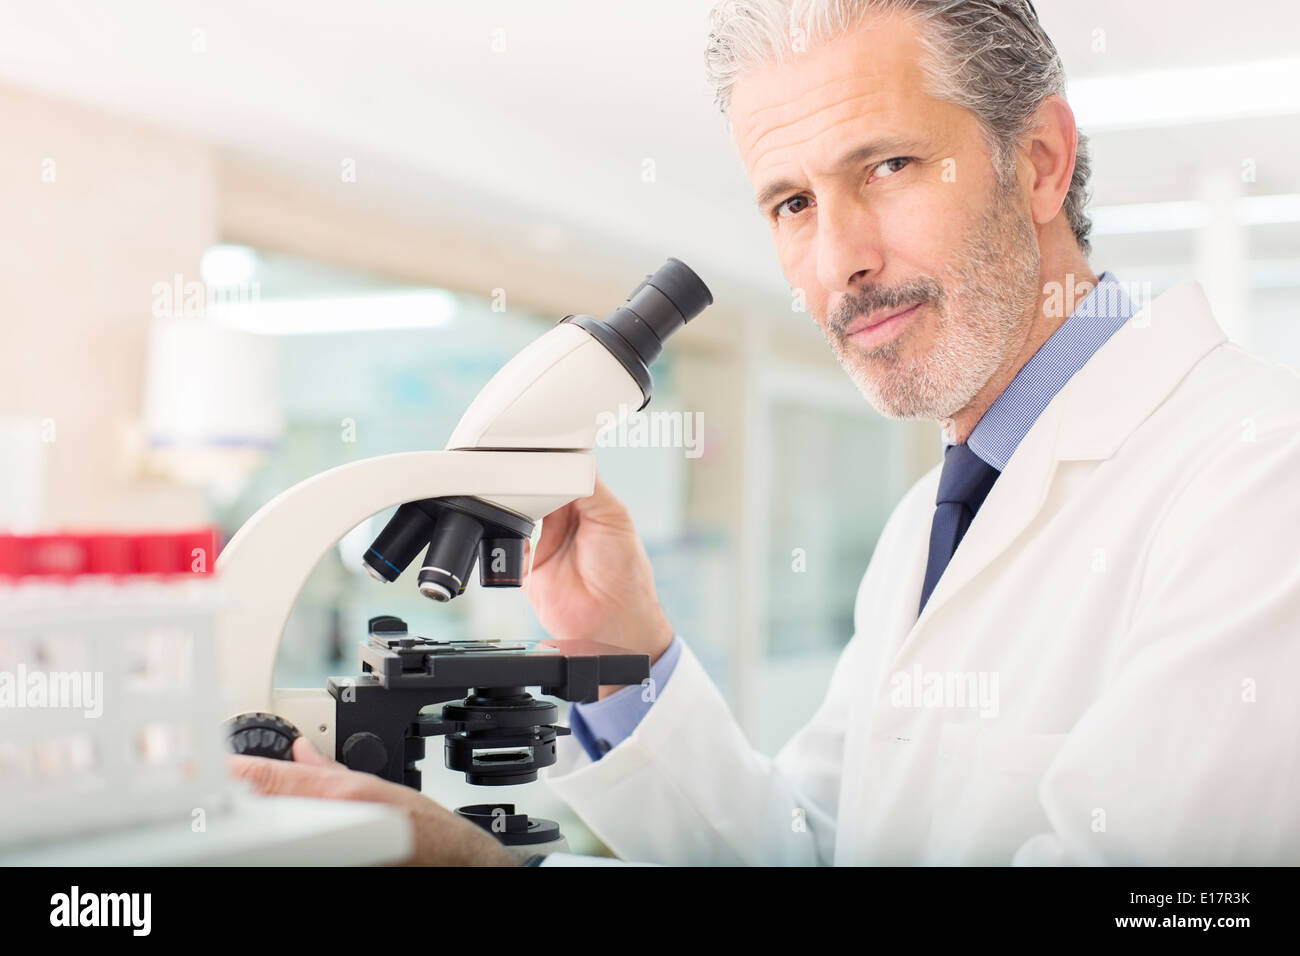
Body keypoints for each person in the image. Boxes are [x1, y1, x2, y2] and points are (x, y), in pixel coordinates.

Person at [232, 0, 1300, 865]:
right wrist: (625, 649)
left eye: (885, 166)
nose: (838, 259)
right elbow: (798, 847)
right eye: (790, 202)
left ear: (1037, 162)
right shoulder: (928, 525)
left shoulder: (1257, 481)